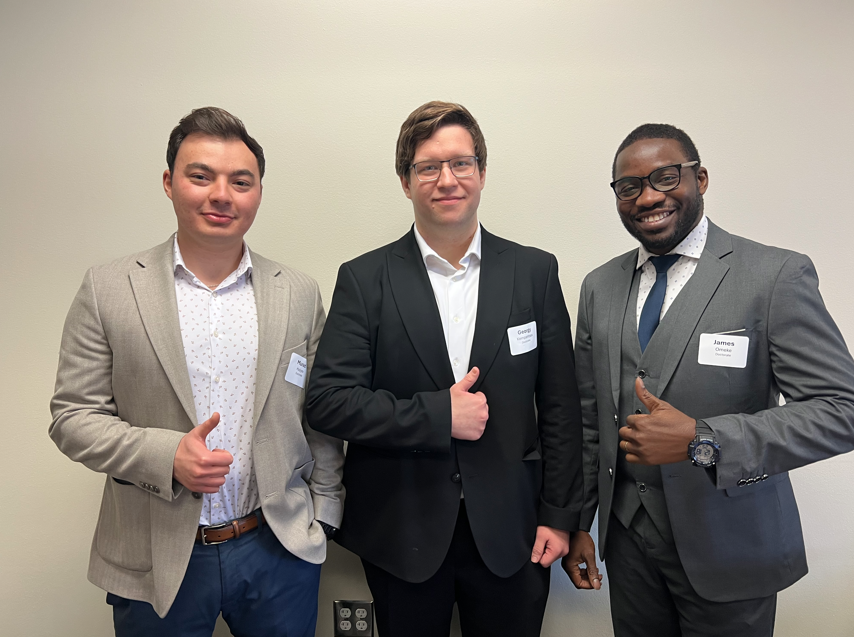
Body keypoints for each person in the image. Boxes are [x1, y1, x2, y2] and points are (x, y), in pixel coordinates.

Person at [49, 106, 344, 637]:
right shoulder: (110, 287)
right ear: (169, 182)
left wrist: (323, 510)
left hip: (277, 547)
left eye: (240, 181)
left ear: (257, 191)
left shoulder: (298, 292)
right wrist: (167, 456)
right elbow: (72, 417)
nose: (221, 195)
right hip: (157, 552)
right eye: (200, 176)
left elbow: (319, 411)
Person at [305, 101, 583, 637]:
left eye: (461, 163)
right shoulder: (365, 279)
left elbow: (561, 409)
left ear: (481, 172)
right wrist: (438, 415)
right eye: (427, 166)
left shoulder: (534, 271)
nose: (446, 179)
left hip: (516, 530)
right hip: (399, 532)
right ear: (406, 182)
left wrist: (560, 514)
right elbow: (328, 401)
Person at [564, 123, 854, 636]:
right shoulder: (599, 287)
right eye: (629, 186)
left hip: (731, 547)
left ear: (699, 178)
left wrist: (706, 439)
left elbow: (841, 409)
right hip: (628, 546)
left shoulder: (773, 276)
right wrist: (578, 523)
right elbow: (591, 422)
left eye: (665, 177)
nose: (648, 196)